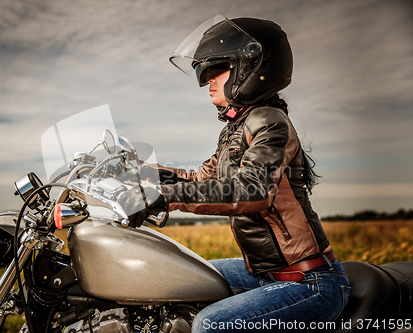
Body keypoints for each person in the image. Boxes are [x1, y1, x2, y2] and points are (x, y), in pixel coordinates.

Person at [118, 15, 351, 332]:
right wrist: (142, 171)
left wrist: (165, 197)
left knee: (210, 324)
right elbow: (201, 179)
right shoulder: (234, 131)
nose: (206, 80)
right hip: (263, 272)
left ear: (252, 69)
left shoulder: (270, 122)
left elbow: (251, 191)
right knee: (177, 278)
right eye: (204, 72)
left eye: (216, 69)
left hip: (309, 281)